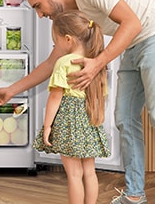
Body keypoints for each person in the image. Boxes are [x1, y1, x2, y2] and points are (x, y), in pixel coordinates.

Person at [0, 0, 155, 204]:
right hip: (132, 44)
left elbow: (132, 23)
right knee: (124, 118)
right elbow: (52, 62)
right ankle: (134, 195)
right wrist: (12, 90)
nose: (40, 15)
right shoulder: (76, 14)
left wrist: (98, 63)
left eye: (38, 6)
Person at [33, 10, 110, 204]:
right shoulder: (96, 63)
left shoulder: (64, 62)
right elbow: (102, 96)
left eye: (55, 41)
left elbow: (55, 97)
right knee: (89, 172)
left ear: (68, 39)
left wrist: (48, 126)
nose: (55, 45)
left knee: (74, 175)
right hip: (89, 120)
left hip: (68, 122)